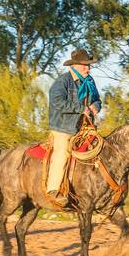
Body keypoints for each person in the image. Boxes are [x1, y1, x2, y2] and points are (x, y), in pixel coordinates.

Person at [46, 48, 103, 200]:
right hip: (63, 128)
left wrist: (95, 107)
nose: (88, 68)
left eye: (89, 65)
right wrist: (81, 108)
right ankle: (54, 190)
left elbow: (97, 99)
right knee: (62, 152)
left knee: (101, 149)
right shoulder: (63, 81)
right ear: (75, 66)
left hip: (84, 128)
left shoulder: (90, 82)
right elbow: (57, 101)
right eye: (85, 65)